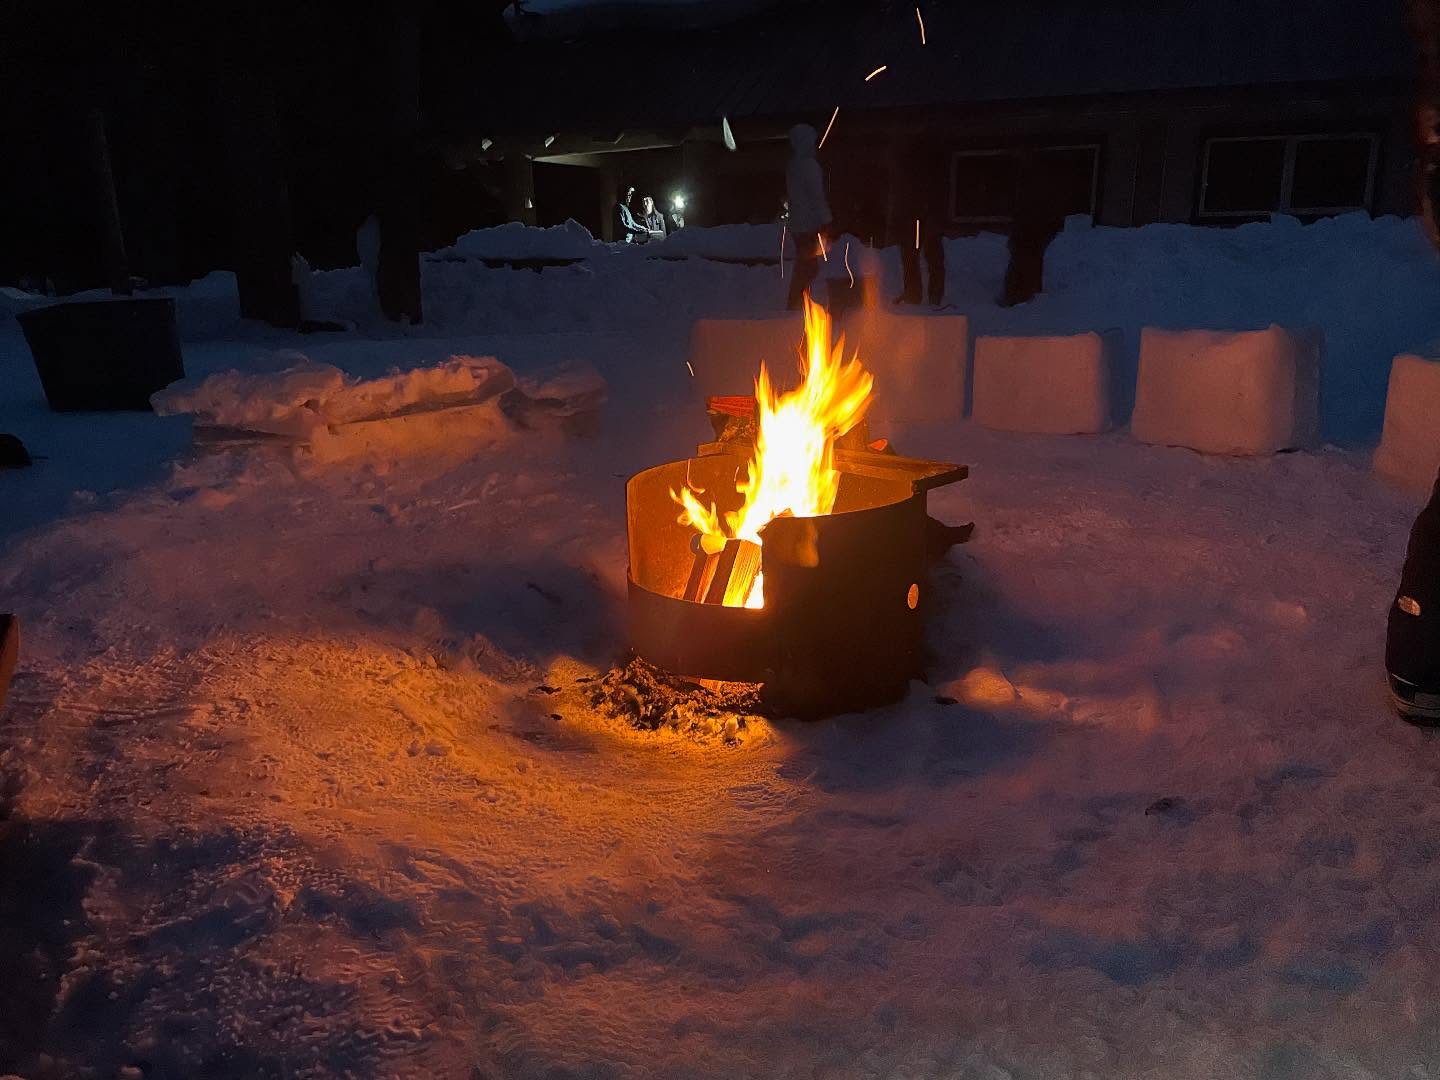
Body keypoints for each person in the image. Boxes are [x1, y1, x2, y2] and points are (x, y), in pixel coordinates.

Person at [1001, 153, 1066, 307]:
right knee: (1023, 262)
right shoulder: (1027, 188)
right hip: (1028, 233)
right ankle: (1018, 296)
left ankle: (1023, 296)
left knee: (1026, 263)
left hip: (1031, 233)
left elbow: (1031, 212)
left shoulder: (1035, 189)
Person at [892, 139, 947, 307]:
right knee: (912, 257)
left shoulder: (928, 170)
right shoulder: (910, 171)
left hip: (926, 216)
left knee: (930, 257)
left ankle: (932, 298)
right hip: (914, 216)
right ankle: (915, 296)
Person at [785, 123, 831, 310]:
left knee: (806, 265)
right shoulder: (809, 166)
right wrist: (827, 219)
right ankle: (796, 304)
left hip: (798, 224)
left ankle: (798, 303)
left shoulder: (793, 165)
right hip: (808, 225)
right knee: (808, 267)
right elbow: (816, 195)